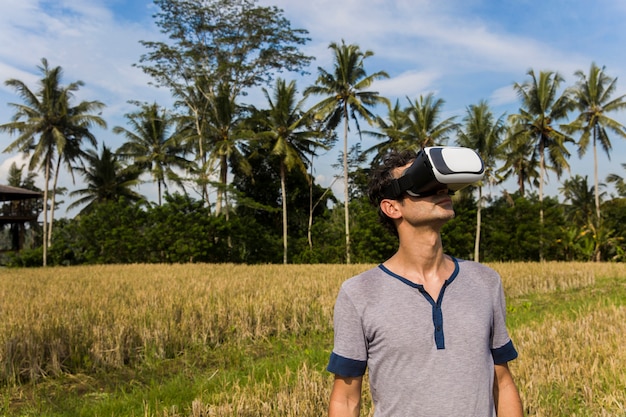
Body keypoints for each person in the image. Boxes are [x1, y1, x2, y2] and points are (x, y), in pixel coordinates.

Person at [327, 149, 523, 417]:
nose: (440, 189)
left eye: (441, 183)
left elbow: (502, 382)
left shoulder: (486, 281)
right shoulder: (359, 293)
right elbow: (346, 400)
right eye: (423, 183)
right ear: (392, 207)